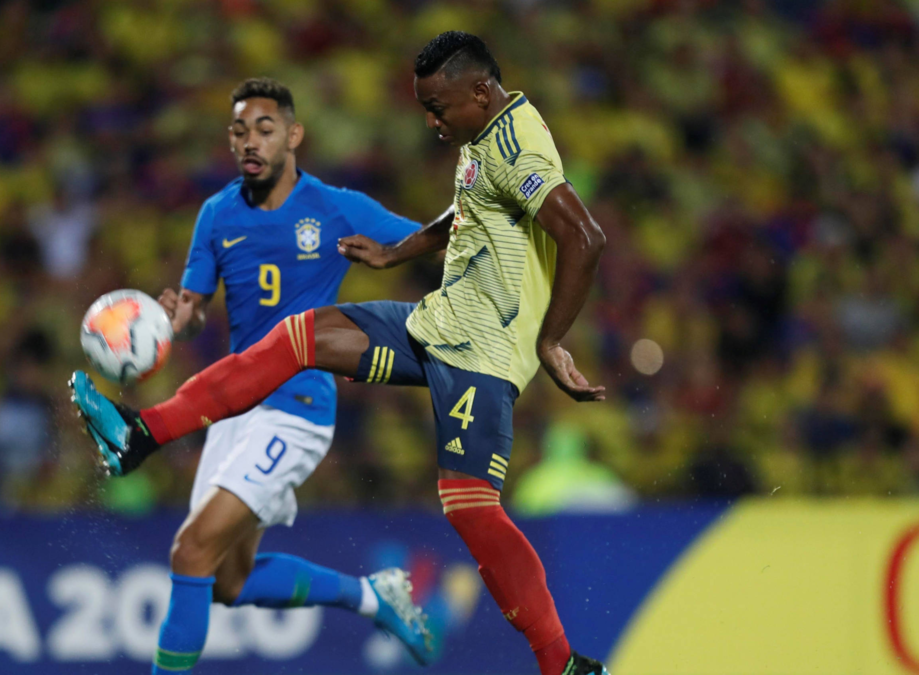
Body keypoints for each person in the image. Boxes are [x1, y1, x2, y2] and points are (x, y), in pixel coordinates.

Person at [74, 33, 610, 674]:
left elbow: (585, 236)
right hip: (440, 322)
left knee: (470, 509)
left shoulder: (516, 149)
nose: (431, 123)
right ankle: (141, 434)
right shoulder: (481, 132)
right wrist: (396, 252)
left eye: (437, 109)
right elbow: (469, 207)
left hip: (483, 353)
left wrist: (549, 340)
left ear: (478, 91)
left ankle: (562, 665)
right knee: (299, 337)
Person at [76, 78, 435, 674]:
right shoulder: (217, 215)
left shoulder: (336, 207)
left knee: (191, 552)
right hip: (231, 409)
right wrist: (173, 318)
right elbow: (194, 311)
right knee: (226, 582)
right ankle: (374, 596)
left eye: (265, 129)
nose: (251, 141)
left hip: (296, 409)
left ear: (293, 136)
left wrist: (451, 271)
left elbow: (428, 238)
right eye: (240, 130)